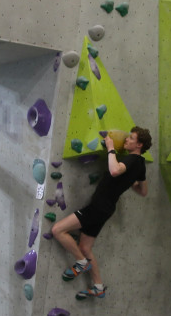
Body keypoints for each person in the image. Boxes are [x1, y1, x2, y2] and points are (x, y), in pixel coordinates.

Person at [52, 126, 151, 300]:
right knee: (85, 247)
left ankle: (81, 263)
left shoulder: (132, 159)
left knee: (58, 230)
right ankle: (98, 286)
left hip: (98, 207)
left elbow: (114, 171)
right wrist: (128, 182)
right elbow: (143, 191)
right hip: (106, 208)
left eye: (131, 138)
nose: (127, 140)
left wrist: (111, 148)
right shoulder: (140, 164)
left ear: (139, 145)